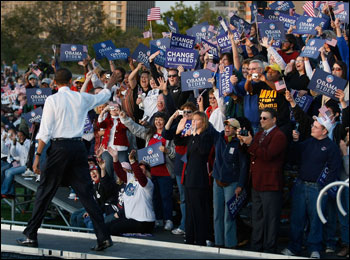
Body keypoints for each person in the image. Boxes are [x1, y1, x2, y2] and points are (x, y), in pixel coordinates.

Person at [16, 68, 117, 251]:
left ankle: (31, 234)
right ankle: (103, 237)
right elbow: (102, 97)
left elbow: (45, 131)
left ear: (55, 83)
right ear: (71, 81)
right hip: (78, 148)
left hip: (59, 149)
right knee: (87, 194)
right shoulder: (79, 97)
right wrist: (111, 82)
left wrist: (37, 156)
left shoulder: (52, 100)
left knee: (45, 191)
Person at [281, 116, 342, 259]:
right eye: (313, 125)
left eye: (315, 127)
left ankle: (314, 248)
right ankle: (294, 247)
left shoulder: (331, 147)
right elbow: (294, 156)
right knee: (297, 218)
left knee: (316, 220)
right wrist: (295, 141)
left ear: (324, 131)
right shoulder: (308, 142)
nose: (312, 128)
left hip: (318, 188)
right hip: (301, 185)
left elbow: (334, 169)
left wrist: (326, 188)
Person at [239, 108, 288, 253]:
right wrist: (244, 142)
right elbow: (252, 154)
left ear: (274, 120)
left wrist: (251, 144)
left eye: (265, 118)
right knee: (257, 217)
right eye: (260, 118)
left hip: (270, 183)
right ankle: (257, 245)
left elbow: (268, 155)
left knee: (270, 219)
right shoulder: (259, 134)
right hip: (257, 182)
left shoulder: (279, 135)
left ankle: (269, 248)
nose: (261, 120)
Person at [174, 111, 214, 246]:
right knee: (190, 211)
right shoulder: (191, 137)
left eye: (196, 120)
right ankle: (190, 237)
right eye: (193, 120)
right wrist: (179, 130)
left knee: (199, 211)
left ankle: (201, 239)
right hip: (189, 178)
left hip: (199, 179)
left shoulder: (206, 136)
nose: (194, 123)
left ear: (203, 122)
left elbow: (203, 151)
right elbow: (178, 141)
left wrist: (195, 135)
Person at [212, 118, 248, 249]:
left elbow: (244, 166)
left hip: (232, 183)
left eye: (230, 126)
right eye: (226, 125)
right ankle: (218, 242)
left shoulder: (239, 143)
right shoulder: (219, 138)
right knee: (217, 214)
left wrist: (240, 185)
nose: (227, 128)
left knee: (229, 215)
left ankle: (230, 244)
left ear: (235, 129)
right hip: (217, 181)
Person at [108, 148, 155, 235]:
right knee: (108, 226)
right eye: (137, 169)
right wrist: (115, 158)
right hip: (131, 219)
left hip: (144, 222)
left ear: (147, 173)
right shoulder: (131, 179)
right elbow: (119, 172)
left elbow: (140, 176)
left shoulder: (148, 183)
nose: (138, 172)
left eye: (141, 170)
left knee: (113, 229)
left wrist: (133, 161)